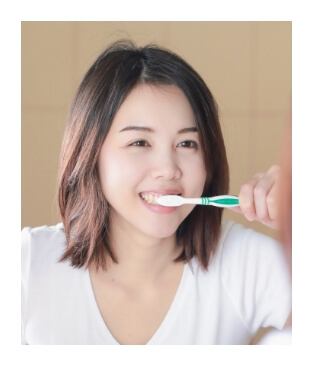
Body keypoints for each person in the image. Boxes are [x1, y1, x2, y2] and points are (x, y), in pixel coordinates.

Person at [21, 40, 291, 345]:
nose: (168, 168)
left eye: (187, 144)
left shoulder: (243, 262)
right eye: (140, 142)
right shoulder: (26, 266)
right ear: (91, 154)